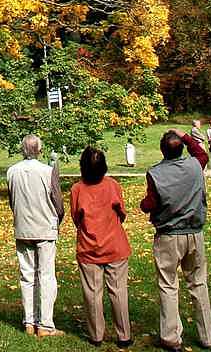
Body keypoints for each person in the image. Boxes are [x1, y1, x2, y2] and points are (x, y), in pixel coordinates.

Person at [140, 129, 211, 352]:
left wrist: (143, 205)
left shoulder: (155, 173)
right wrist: (185, 136)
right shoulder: (195, 165)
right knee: (198, 284)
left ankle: (171, 337)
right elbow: (202, 154)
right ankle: (207, 337)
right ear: (182, 147)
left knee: (168, 285)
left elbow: (151, 203)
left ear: (162, 150)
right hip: (194, 233)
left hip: (169, 237)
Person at [70, 147, 132, 349]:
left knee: (93, 294)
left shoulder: (77, 190)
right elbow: (121, 213)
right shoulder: (112, 185)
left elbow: (76, 218)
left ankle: (96, 335)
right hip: (114, 246)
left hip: (90, 248)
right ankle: (124, 335)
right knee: (118, 291)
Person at [6, 134, 65, 338]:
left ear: (23, 150)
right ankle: (45, 325)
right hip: (45, 227)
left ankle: (29, 322)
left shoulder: (12, 171)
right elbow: (58, 202)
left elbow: (11, 200)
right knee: (46, 276)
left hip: (23, 228)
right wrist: (58, 220)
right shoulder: (48, 171)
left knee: (27, 276)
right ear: (39, 150)